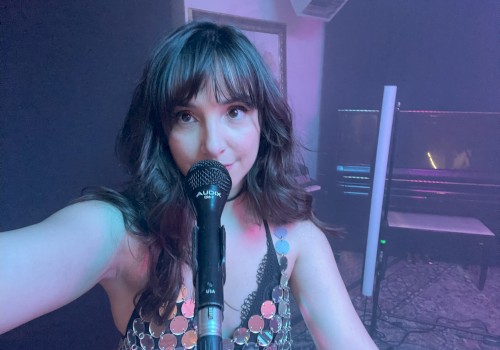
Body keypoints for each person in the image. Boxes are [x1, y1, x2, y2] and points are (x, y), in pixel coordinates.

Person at [0, 21, 377, 349]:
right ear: (162, 131)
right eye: (186, 116)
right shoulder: (122, 232)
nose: (213, 143)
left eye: (234, 111)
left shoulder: (294, 237)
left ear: (264, 120)